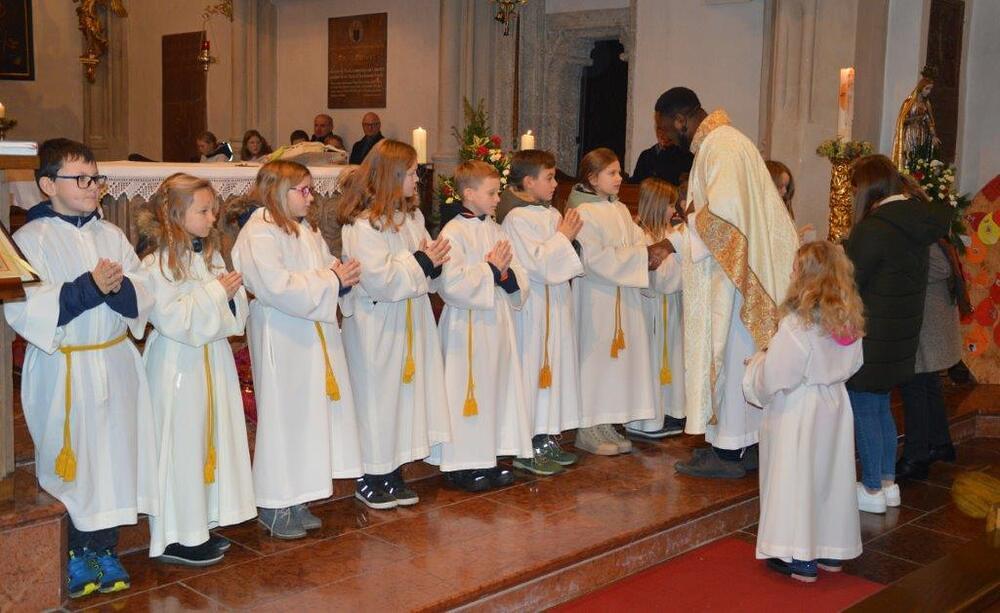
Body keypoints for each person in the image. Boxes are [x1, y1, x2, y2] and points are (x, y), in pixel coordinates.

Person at [5, 139, 157, 598]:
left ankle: (104, 549)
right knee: (72, 460)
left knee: (114, 457)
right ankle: (75, 552)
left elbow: (143, 289)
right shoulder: (30, 240)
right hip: (65, 368)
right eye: (81, 179)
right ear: (48, 185)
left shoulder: (110, 234)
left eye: (96, 179)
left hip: (114, 359)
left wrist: (119, 289)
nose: (93, 187)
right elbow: (26, 306)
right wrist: (89, 288)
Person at [656, 87, 799, 479]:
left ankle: (728, 452)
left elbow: (722, 218)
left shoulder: (720, 146)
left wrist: (685, 219)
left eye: (667, 128)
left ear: (682, 120)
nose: (666, 137)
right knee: (743, 359)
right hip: (740, 272)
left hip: (734, 281)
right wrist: (679, 233)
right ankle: (747, 444)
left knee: (732, 358)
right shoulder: (728, 142)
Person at [232, 160, 364, 538]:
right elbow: (276, 287)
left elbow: (326, 267)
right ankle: (274, 503)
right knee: (283, 417)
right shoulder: (259, 232)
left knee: (307, 417)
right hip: (281, 333)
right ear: (277, 191)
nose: (310, 198)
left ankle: (299, 498)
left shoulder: (304, 229)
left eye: (311, 190)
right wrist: (332, 279)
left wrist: (343, 274)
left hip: (311, 334)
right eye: (303, 190)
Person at [137, 174, 254, 566]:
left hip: (212, 360)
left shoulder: (210, 255)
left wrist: (230, 299)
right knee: (181, 448)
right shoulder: (156, 264)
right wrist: (218, 293)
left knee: (208, 441)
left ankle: (199, 524)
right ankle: (176, 536)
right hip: (176, 367)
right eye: (203, 211)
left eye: (213, 210)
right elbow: (175, 319)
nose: (212, 218)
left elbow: (235, 316)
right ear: (175, 214)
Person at [337, 140, 452, 508]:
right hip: (377, 324)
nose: (418, 179)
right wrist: (421, 261)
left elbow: (429, 263)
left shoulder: (412, 218)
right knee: (377, 398)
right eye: (412, 173)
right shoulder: (363, 225)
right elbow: (380, 280)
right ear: (392, 175)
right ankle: (370, 474)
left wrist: (431, 263)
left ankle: (393, 469)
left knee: (403, 397)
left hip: (411, 319)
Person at [744, 241, 865, 583]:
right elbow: (853, 363)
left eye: (795, 268)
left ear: (808, 277)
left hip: (799, 411)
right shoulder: (848, 319)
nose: (790, 273)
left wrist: (756, 365)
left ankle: (799, 557)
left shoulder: (797, 325)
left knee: (796, 479)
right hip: (834, 406)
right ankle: (829, 550)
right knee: (828, 478)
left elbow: (777, 376)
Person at [843, 154, 952, 513]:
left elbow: (850, 282)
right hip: (901, 337)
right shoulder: (916, 222)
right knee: (882, 408)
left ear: (867, 189)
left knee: (865, 408)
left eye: (855, 189)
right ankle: (888, 484)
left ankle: (872, 488)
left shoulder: (874, 229)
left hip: (873, 337)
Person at [427, 160, 534, 492]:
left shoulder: (497, 230)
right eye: (491, 193)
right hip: (466, 325)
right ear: (469, 194)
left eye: (497, 192)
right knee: (465, 392)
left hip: (497, 323)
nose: (498, 198)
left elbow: (518, 273)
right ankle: (460, 464)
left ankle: (487, 457)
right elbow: (450, 284)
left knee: (495, 388)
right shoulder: (453, 232)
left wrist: (507, 276)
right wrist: (490, 271)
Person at [568, 148, 669, 455]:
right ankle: (588, 427)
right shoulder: (583, 212)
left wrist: (646, 254)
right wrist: (639, 257)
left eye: (619, 172)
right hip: (597, 299)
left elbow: (638, 242)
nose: (619, 178)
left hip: (624, 297)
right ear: (592, 178)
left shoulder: (621, 209)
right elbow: (594, 259)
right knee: (597, 361)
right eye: (611, 173)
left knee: (618, 364)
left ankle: (609, 422)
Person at [500, 150, 585, 475]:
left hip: (556, 304)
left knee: (554, 370)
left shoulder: (551, 214)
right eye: (549, 178)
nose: (555, 184)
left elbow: (566, 260)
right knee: (532, 372)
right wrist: (564, 238)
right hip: (532, 308)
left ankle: (547, 437)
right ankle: (527, 445)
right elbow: (537, 264)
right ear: (528, 181)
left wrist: (569, 240)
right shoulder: (516, 219)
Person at [627, 178, 687, 440]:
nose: (674, 211)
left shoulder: (666, 234)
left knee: (671, 359)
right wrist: (682, 259)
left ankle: (670, 412)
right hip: (651, 311)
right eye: (670, 205)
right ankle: (645, 422)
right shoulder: (642, 236)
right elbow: (663, 279)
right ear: (657, 204)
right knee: (650, 363)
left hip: (669, 311)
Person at [630, 114, 693, 185]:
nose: (663, 134)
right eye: (659, 129)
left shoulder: (687, 157)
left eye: (667, 129)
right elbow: (635, 184)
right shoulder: (646, 156)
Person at [765, 160, 815, 243]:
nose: (785, 191)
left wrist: (799, 235)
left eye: (786, 186)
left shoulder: (782, 209)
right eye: (780, 186)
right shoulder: (763, 212)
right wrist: (797, 237)